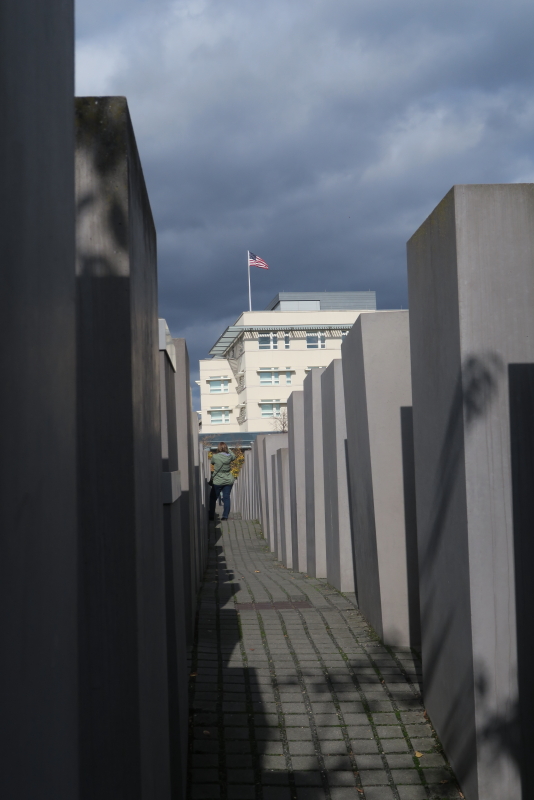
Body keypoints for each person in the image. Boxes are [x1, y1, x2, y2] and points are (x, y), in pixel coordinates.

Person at [208, 442, 236, 521]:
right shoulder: (229, 457)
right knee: (226, 498)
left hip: (218, 480)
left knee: (213, 498)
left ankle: (211, 515)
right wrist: (228, 449)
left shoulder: (215, 456)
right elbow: (234, 456)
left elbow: (212, 462)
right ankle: (225, 516)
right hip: (228, 480)